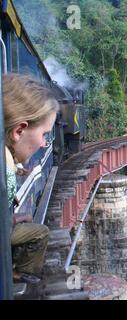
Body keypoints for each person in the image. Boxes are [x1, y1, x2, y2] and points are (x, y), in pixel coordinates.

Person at [2, 73, 59, 284]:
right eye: (44, 134)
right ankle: (21, 275)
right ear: (19, 130)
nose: (45, 143)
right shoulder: (5, 168)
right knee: (40, 232)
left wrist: (14, 219)